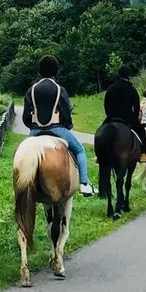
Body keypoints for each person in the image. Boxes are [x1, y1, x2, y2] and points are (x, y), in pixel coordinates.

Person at [22, 55, 95, 196]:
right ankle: (85, 184)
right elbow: (66, 114)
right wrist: (67, 125)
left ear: (40, 71)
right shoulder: (59, 90)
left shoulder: (31, 90)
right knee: (80, 150)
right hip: (57, 128)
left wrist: (33, 126)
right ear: (56, 71)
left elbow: (26, 117)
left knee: (21, 152)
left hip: (35, 131)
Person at [103, 64, 146, 160]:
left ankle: (99, 155)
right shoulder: (132, 90)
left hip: (112, 117)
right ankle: (143, 154)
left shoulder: (111, 88)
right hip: (128, 118)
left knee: (101, 131)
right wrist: (135, 118)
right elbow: (136, 106)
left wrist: (109, 115)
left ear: (118, 74)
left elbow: (106, 105)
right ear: (128, 75)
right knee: (142, 131)